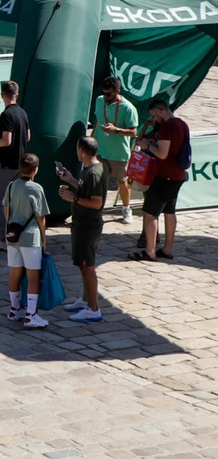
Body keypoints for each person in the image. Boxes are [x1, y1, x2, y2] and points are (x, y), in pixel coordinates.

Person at [57, 137, 107, 322]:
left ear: (82, 151)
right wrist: (70, 179)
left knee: (88, 266)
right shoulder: (90, 169)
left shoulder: (94, 173)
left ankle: (94, 309)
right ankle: (86, 300)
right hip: (82, 223)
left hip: (88, 225)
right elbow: (87, 189)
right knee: (83, 264)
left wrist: (73, 199)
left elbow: (96, 203)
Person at [133, 96, 189, 262]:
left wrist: (149, 146)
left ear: (160, 111)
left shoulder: (168, 127)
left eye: (154, 116)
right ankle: (168, 248)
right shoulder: (181, 124)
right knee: (169, 211)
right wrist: (149, 129)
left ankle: (150, 251)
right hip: (177, 175)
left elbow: (162, 154)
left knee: (150, 213)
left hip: (165, 175)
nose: (154, 119)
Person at [2, 154, 50, 328]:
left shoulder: (11, 186)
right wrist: (44, 239)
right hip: (30, 237)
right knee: (33, 276)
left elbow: (6, 211)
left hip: (13, 236)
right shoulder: (36, 189)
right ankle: (31, 314)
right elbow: (41, 218)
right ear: (35, 170)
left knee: (15, 273)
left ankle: (15, 309)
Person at [0, 81, 30, 250]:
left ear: (3, 95)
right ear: (16, 95)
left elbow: (6, 140)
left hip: (5, 164)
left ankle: (4, 239)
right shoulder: (23, 113)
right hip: (20, 164)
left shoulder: (6, 115)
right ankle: (16, 236)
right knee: (14, 203)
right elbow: (28, 137)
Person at [91, 76, 139, 224]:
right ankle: (97, 209)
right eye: (104, 93)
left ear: (118, 91)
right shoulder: (100, 100)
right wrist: (92, 140)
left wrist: (116, 130)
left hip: (118, 152)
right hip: (100, 149)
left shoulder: (128, 108)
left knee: (122, 182)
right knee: (98, 182)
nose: (106, 97)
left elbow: (133, 132)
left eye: (109, 94)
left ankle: (126, 208)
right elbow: (98, 120)